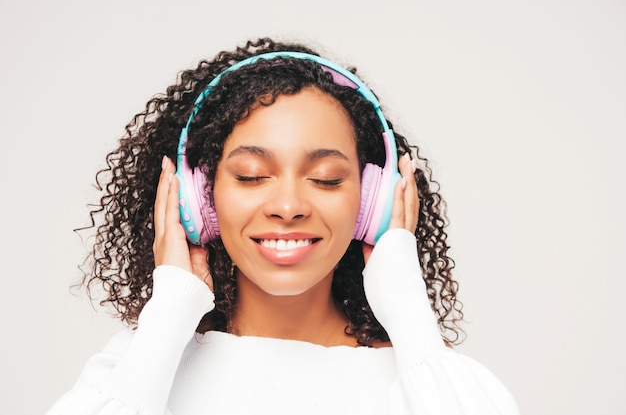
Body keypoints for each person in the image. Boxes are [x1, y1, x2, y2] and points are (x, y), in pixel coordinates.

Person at [47, 37, 519, 414]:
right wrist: (170, 310)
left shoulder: (421, 372)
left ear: (371, 200)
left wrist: (407, 308)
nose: (288, 206)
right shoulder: (143, 361)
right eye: (251, 176)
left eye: (326, 179)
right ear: (199, 197)